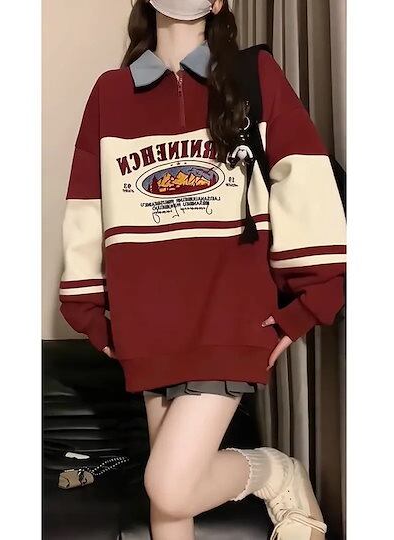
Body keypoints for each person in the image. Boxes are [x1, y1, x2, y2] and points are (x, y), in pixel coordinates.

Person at [58, 0, 346, 538]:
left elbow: (305, 184)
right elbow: (86, 206)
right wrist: (93, 316)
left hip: (228, 316)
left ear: (217, 2)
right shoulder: (110, 93)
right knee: (170, 508)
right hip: (148, 326)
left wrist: (306, 307)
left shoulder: (252, 76)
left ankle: (274, 472)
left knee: (167, 485)